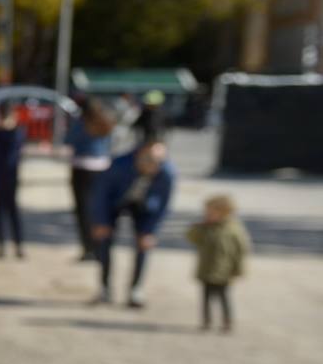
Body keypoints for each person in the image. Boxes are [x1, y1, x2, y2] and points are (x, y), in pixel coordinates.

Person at [91, 141, 176, 308]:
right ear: (138, 156)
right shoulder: (118, 166)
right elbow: (100, 195)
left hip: (144, 206)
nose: (154, 167)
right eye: (149, 161)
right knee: (104, 240)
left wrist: (150, 231)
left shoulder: (166, 173)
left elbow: (163, 206)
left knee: (143, 244)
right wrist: (101, 222)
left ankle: (136, 289)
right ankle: (104, 288)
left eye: (159, 162)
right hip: (115, 202)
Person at [187, 195, 251, 332]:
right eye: (206, 213)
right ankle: (206, 320)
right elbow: (191, 237)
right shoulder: (206, 228)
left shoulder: (233, 229)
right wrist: (199, 226)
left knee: (224, 297)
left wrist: (239, 269)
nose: (207, 215)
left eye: (210, 213)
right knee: (206, 297)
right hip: (206, 270)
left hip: (224, 271)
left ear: (224, 213)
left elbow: (241, 250)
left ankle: (227, 321)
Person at [66, 97, 115, 260]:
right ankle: (101, 245)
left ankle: (88, 247)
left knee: (83, 210)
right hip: (102, 166)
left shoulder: (81, 123)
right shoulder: (105, 121)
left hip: (82, 167)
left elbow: (69, 140)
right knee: (99, 208)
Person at [0, 99, 26, 258]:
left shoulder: (15, 132)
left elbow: (10, 153)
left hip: (7, 174)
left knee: (9, 210)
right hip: (2, 174)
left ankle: (16, 245)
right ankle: (3, 245)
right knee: (1, 210)